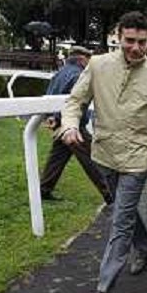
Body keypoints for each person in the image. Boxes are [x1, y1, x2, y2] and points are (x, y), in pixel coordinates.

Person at [61, 11, 147, 293]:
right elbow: (75, 101)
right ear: (118, 37)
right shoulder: (97, 65)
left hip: (137, 159)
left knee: (120, 221)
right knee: (123, 208)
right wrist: (70, 125)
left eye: (141, 42)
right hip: (103, 154)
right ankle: (146, 248)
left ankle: (103, 289)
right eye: (129, 41)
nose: (135, 48)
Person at [39, 46, 113, 204]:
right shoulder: (79, 75)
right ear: (81, 59)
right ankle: (110, 194)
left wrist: (52, 118)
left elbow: (50, 96)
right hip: (73, 126)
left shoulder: (59, 73)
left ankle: (44, 190)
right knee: (92, 158)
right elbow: (74, 103)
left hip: (58, 122)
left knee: (57, 157)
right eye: (88, 59)